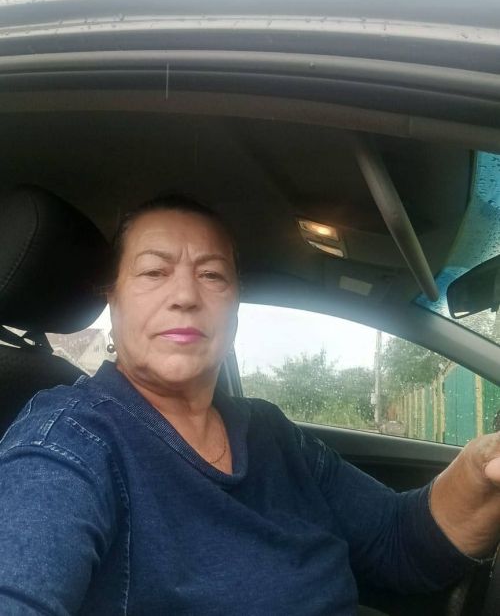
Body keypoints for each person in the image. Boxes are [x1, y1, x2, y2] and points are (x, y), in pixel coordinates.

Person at [0, 194, 499, 616]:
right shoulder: (68, 442)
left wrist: (482, 471)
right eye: (153, 271)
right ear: (114, 299)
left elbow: (397, 540)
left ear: (235, 301)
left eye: (212, 275)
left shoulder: (270, 432)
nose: (185, 295)